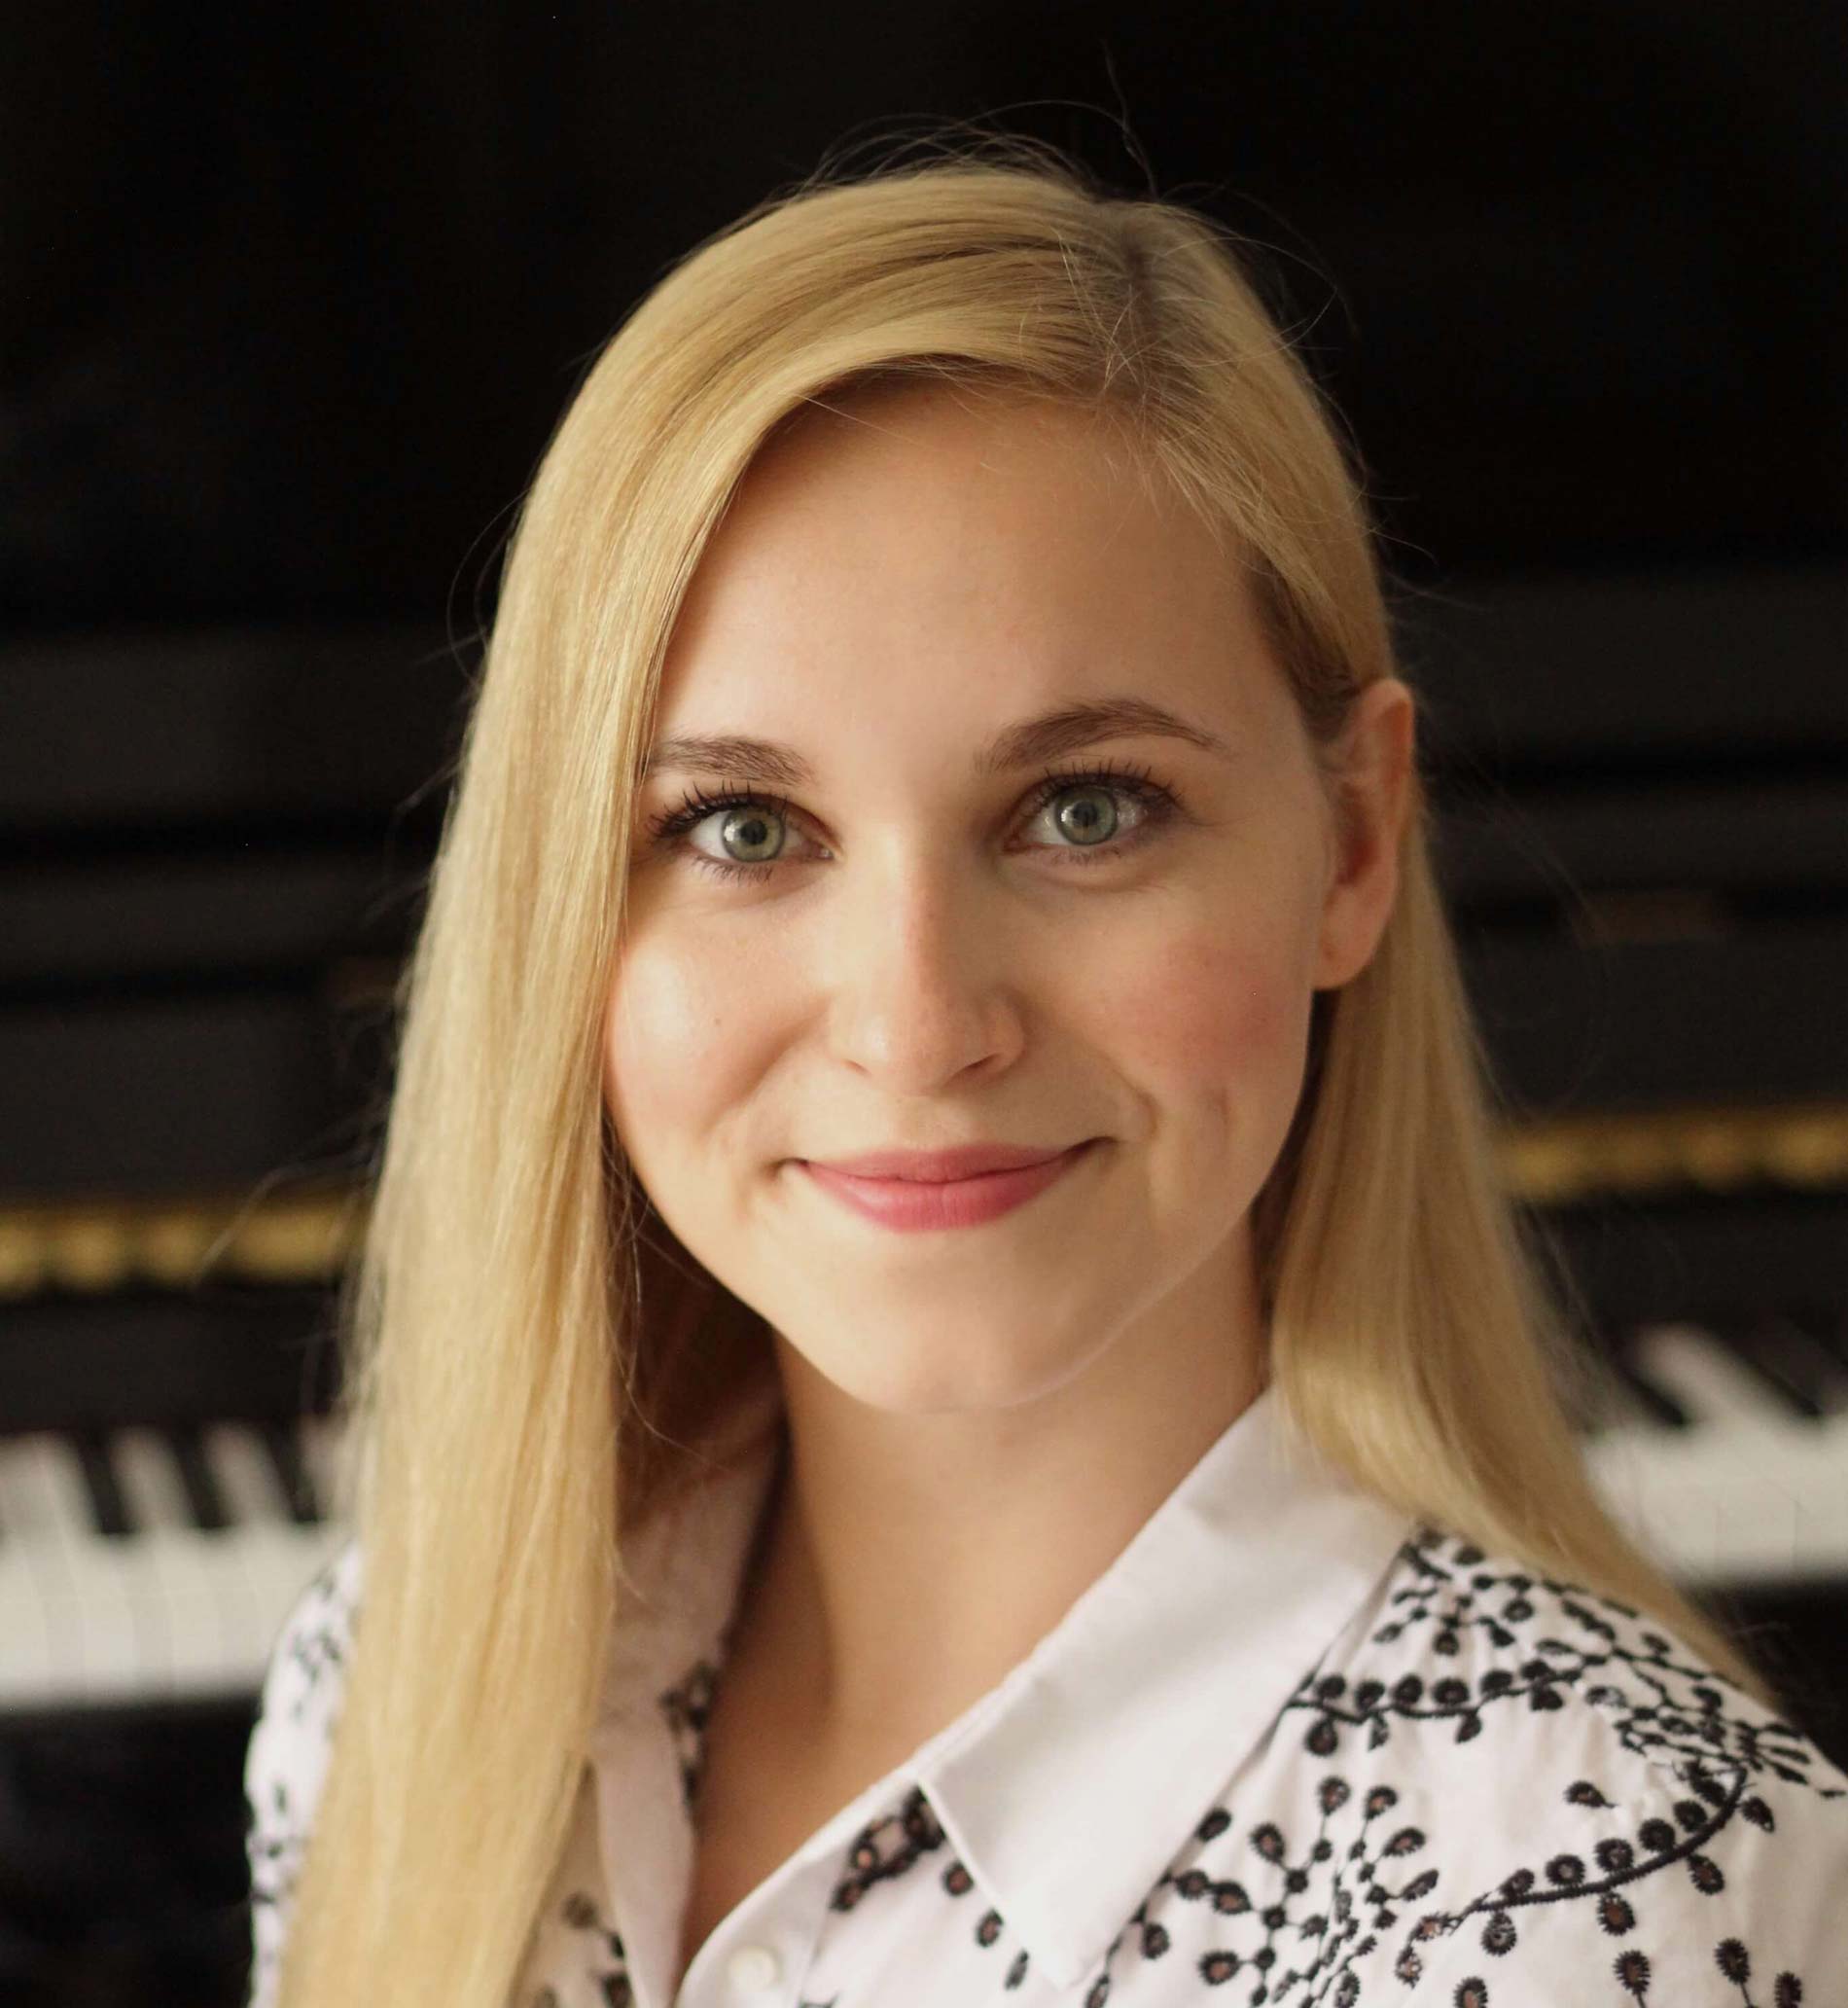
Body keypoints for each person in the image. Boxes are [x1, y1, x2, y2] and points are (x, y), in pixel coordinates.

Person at [241, 135, 1848, 2008]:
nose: (918, 1024)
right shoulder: (399, 1692)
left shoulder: (1591, 1881)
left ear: (1352, 846)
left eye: (1087, 810)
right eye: (744, 828)